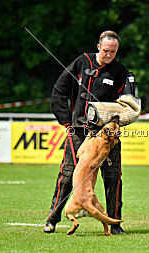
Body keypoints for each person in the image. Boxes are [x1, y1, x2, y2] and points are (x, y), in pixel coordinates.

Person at [44, 30, 135, 235]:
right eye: (105, 51)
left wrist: (118, 119)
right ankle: (52, 219)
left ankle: (115, 224)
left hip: (107, 136)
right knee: (67, 175)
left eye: (113, 52)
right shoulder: (81, 62)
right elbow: (59, 91)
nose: (109, 55)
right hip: (78, 131)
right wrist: (67, 122)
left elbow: (130, 104)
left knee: (113, 177)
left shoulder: (121, 71)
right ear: (98, 47)